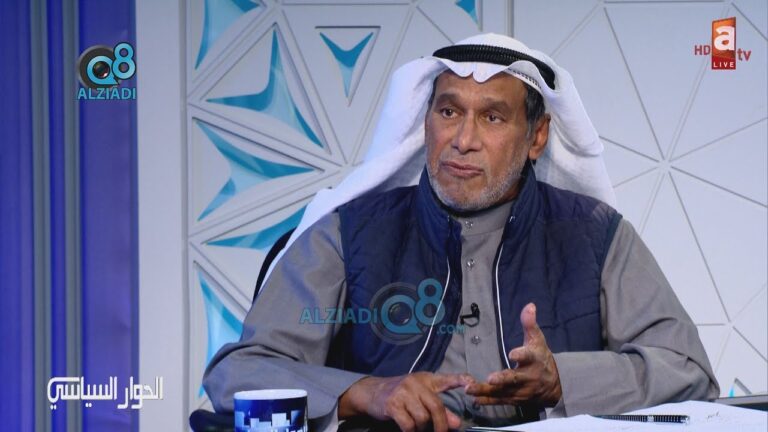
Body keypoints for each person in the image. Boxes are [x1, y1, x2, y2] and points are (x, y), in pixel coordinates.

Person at [203, 34, 719, 431]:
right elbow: (239, 372)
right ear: (426, 121)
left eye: (493, 117)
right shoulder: (349, 233)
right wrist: (364, 391)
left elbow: (688, 370)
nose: (463, 139)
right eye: (449, 111)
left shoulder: (595, 236)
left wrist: (563, 380)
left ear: (537, 136)